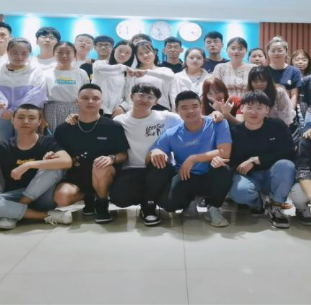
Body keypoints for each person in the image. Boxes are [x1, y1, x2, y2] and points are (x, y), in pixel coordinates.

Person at [0, 104, 73, 230]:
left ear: (39, 121)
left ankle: (13, 213)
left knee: (54, 165)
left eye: (31, 118)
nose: (25, 121)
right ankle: (45, 216)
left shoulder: (47, 142)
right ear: (12, 120)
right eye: (20, 117)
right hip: (14, 195)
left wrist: (28, 165)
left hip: (43, 196)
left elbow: (67, 161)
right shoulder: (4, 146)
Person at [146, 91, 233, 227]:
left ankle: (213, 207)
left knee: (224, 169)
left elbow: (225, 152)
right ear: (177, 110)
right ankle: (191, 200)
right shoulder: (171, 133)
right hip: (187, 176)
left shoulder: (218, 123)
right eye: (184, 108)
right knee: (168, 204)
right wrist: (155, 151)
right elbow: (150, 157)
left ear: (201, 107)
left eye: (194, 106)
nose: (190, 111)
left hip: (211, 173)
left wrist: (193, 158)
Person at [52, 84, 129, 223]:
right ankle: (88, 196)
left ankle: (102, 203)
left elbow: (124, 154)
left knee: (100, 165)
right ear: (77, 101)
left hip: (104, 174)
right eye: (85, 98)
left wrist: (111, 158)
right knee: (61, 197)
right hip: (76, 177)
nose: (90, 101)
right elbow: (57, 153)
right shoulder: (63, 129)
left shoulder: (113, 127)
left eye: (95, 98)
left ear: (101, 102)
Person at [111, 84, 183, 226]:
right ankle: (149, 196)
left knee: (159, 165)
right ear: (132, 97)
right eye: (141, 95)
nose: (144, 100)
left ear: (156, 102)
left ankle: (148, 207)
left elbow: (193, 122)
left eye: (150, 97)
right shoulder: (120, 121)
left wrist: (215, 115)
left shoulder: (166, 117)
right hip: (131, 169)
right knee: (118, 199)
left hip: (160, 168)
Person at [226, 91, 296, 228]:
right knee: (239, 192)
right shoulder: (235, 132)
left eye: (259, 107)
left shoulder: (278, 126)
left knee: (286, 165)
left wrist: (257, 160)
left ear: (267, 110)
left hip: (273, 175)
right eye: (249, 107)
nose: (254, 112)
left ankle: (276, 206)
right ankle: (257, 203)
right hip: (249, 177)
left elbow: (289, 152)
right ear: (242, 109)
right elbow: (232, 161)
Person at [0, 38, 47, 141]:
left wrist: (13, 110)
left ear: (30, 54)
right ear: (7, 52)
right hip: (1, 114)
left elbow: (36, 95)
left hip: (26, 115)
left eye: (24, 54)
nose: (19, 57)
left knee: (26, 142)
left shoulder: (36, 72)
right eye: (14, 53)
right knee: (1, 142)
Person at [44, 41, 89, 132]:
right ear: (53, 54)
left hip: (76, 111)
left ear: (74, 54)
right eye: (60, 52)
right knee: (54, 137)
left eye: (68, 53)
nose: (64, 56)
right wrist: (42, 118)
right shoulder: (45, 74)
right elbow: (40, 99)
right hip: (52, 111)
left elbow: (87, 95)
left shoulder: (81, 73)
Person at [123, 41, 174, 111]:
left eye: (147, 52)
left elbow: (171, 78)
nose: (145, 55)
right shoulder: (134, 72)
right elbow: (129, 93)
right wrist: (131, 111)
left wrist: (147, 72)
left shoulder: (165, 70)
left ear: (154, 52)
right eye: (140, 54)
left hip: (161, 109)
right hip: (139, 109)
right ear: (137, 56)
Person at [91, 40, 135, 118]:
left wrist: (122, 107)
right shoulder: (100, 63)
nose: (123, 54)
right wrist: (123, 67)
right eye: (120, 50)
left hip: (116, 112)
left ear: (131, 56)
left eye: (127, 53)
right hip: (96, 108)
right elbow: (100, 68)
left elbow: (129, 94)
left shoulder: (128, 72)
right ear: (114, 50)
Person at [266, 37, 303, 113]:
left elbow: (294, 95)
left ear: (286, 52)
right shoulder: (263, 71)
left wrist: (289, 113)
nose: (276, 53)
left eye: (280, 50)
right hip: (267, 111)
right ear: (268, 53)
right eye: (273, 51)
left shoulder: (294, 71)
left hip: (288, 111)